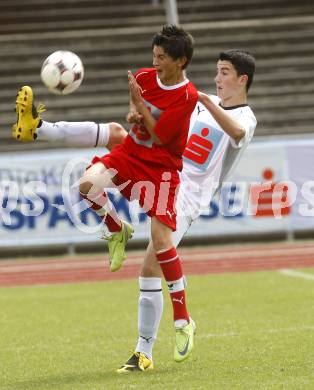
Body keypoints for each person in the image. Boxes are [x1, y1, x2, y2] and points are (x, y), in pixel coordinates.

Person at [13, 49, 256, 372]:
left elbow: (237, 135)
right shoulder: (196, 100)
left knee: (149, 270)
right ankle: (39, 128)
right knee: (116, 134)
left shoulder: (244, 117)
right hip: (162, 170)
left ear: (242, 80)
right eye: (216, 71)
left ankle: (145, 351)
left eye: (225, 72)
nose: (217, 78)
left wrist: (204, 100)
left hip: (186, 197)